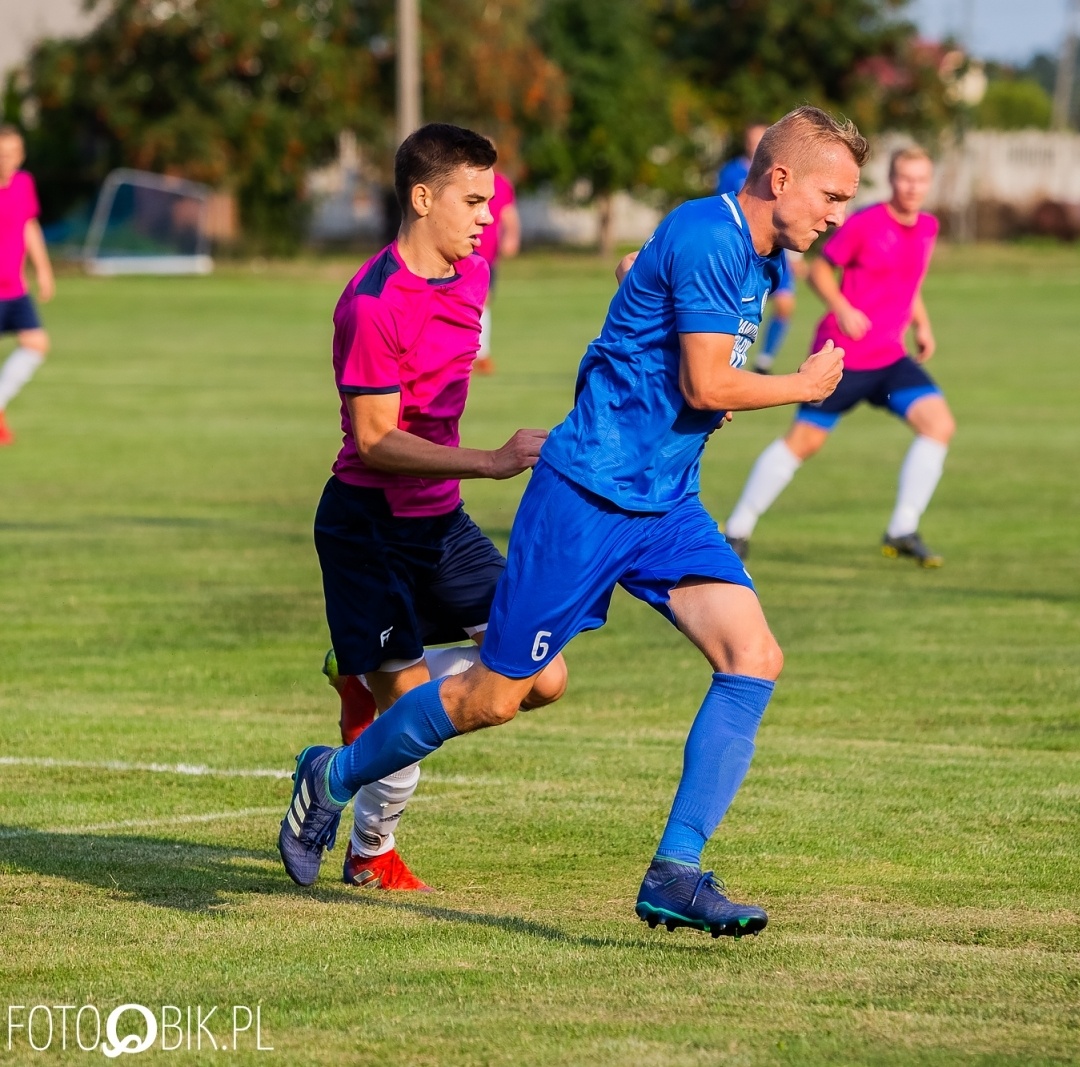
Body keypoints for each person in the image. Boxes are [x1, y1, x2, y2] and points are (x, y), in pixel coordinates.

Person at [278, 106, 862, 938]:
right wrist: (798, 385)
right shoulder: (708, 234)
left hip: (663, 503)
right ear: (780, 181)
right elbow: (704, 382)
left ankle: (676, 872)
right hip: (585, 499)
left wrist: (654, 296)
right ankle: (331, 777)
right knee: (492, 697)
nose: (837, 214)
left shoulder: (755, 259)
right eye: (831, 194)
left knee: (753, 655)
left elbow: (670, 329)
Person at [308, 123, 567, 891]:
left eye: (491, 199)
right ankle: (368, 855)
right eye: (474, 199)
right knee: (413, 723)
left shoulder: (474, 275)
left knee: (540, 678)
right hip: (368, 529)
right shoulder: (371, 303)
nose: (489, 216)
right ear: (422, 198)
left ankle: (358, 669)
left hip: (441, 525)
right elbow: (377, 439)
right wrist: (492, 461)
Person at [724, 144, 951, 567]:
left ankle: (902, 528)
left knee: (938, 424)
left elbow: (910, 280)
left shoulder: (927, 228)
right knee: (803, 442)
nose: (912, 187)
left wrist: (922, 323)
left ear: (929, 183)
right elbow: (820, 269)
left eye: (920, 179)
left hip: (889, 355)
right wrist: (843, 308)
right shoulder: (866, 223)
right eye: (905, 178)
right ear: (893, 180)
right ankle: (738, 527)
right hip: (841, 355)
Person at [718, 122, 796, 374]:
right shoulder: (732, 172)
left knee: (785, 305)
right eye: (752, 140)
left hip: (773, 250)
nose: (756, 144)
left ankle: (764, 360)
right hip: (742, 250)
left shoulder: (781, 171)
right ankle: (723, 361)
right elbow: (723, 206)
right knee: (736, 306)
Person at [0, 125, 55, 447]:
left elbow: (29, 225)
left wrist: (44, 270)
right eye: (0, 155)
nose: (5, 161)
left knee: (36, 344)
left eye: (11, 155)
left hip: (14, 288)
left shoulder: (23, 184)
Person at [471, 163, 520, 376]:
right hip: (466, 251)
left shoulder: (501, 183)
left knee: (484, 301)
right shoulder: (464, 179)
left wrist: (512, 237)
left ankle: (481, 353)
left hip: (489, 254)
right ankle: (473, 353)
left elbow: (509, 215)